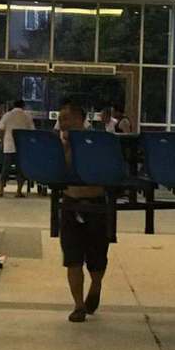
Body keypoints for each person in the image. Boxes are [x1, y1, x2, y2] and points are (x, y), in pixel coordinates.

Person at [58, 102, 109, 323]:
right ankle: (78, 305)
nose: (62, 123)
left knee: (97, 256)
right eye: (60, 119)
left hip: (96, 204)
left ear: (80, 119)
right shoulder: (60, 145)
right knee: (72, 258)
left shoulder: (95, 143)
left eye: (66, 118)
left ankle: (96, 285)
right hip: (71, 203)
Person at [0, 99, 34, 198]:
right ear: (23, 106)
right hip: (22, 147)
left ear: (13, 105)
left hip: (8, 145)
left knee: (5, 168)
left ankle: (1, 190)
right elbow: (32, 131)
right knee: (20, 170)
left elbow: (0, 130)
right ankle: (18, 191)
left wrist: (2, 141)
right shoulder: (27, 116)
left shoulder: (7, 115)